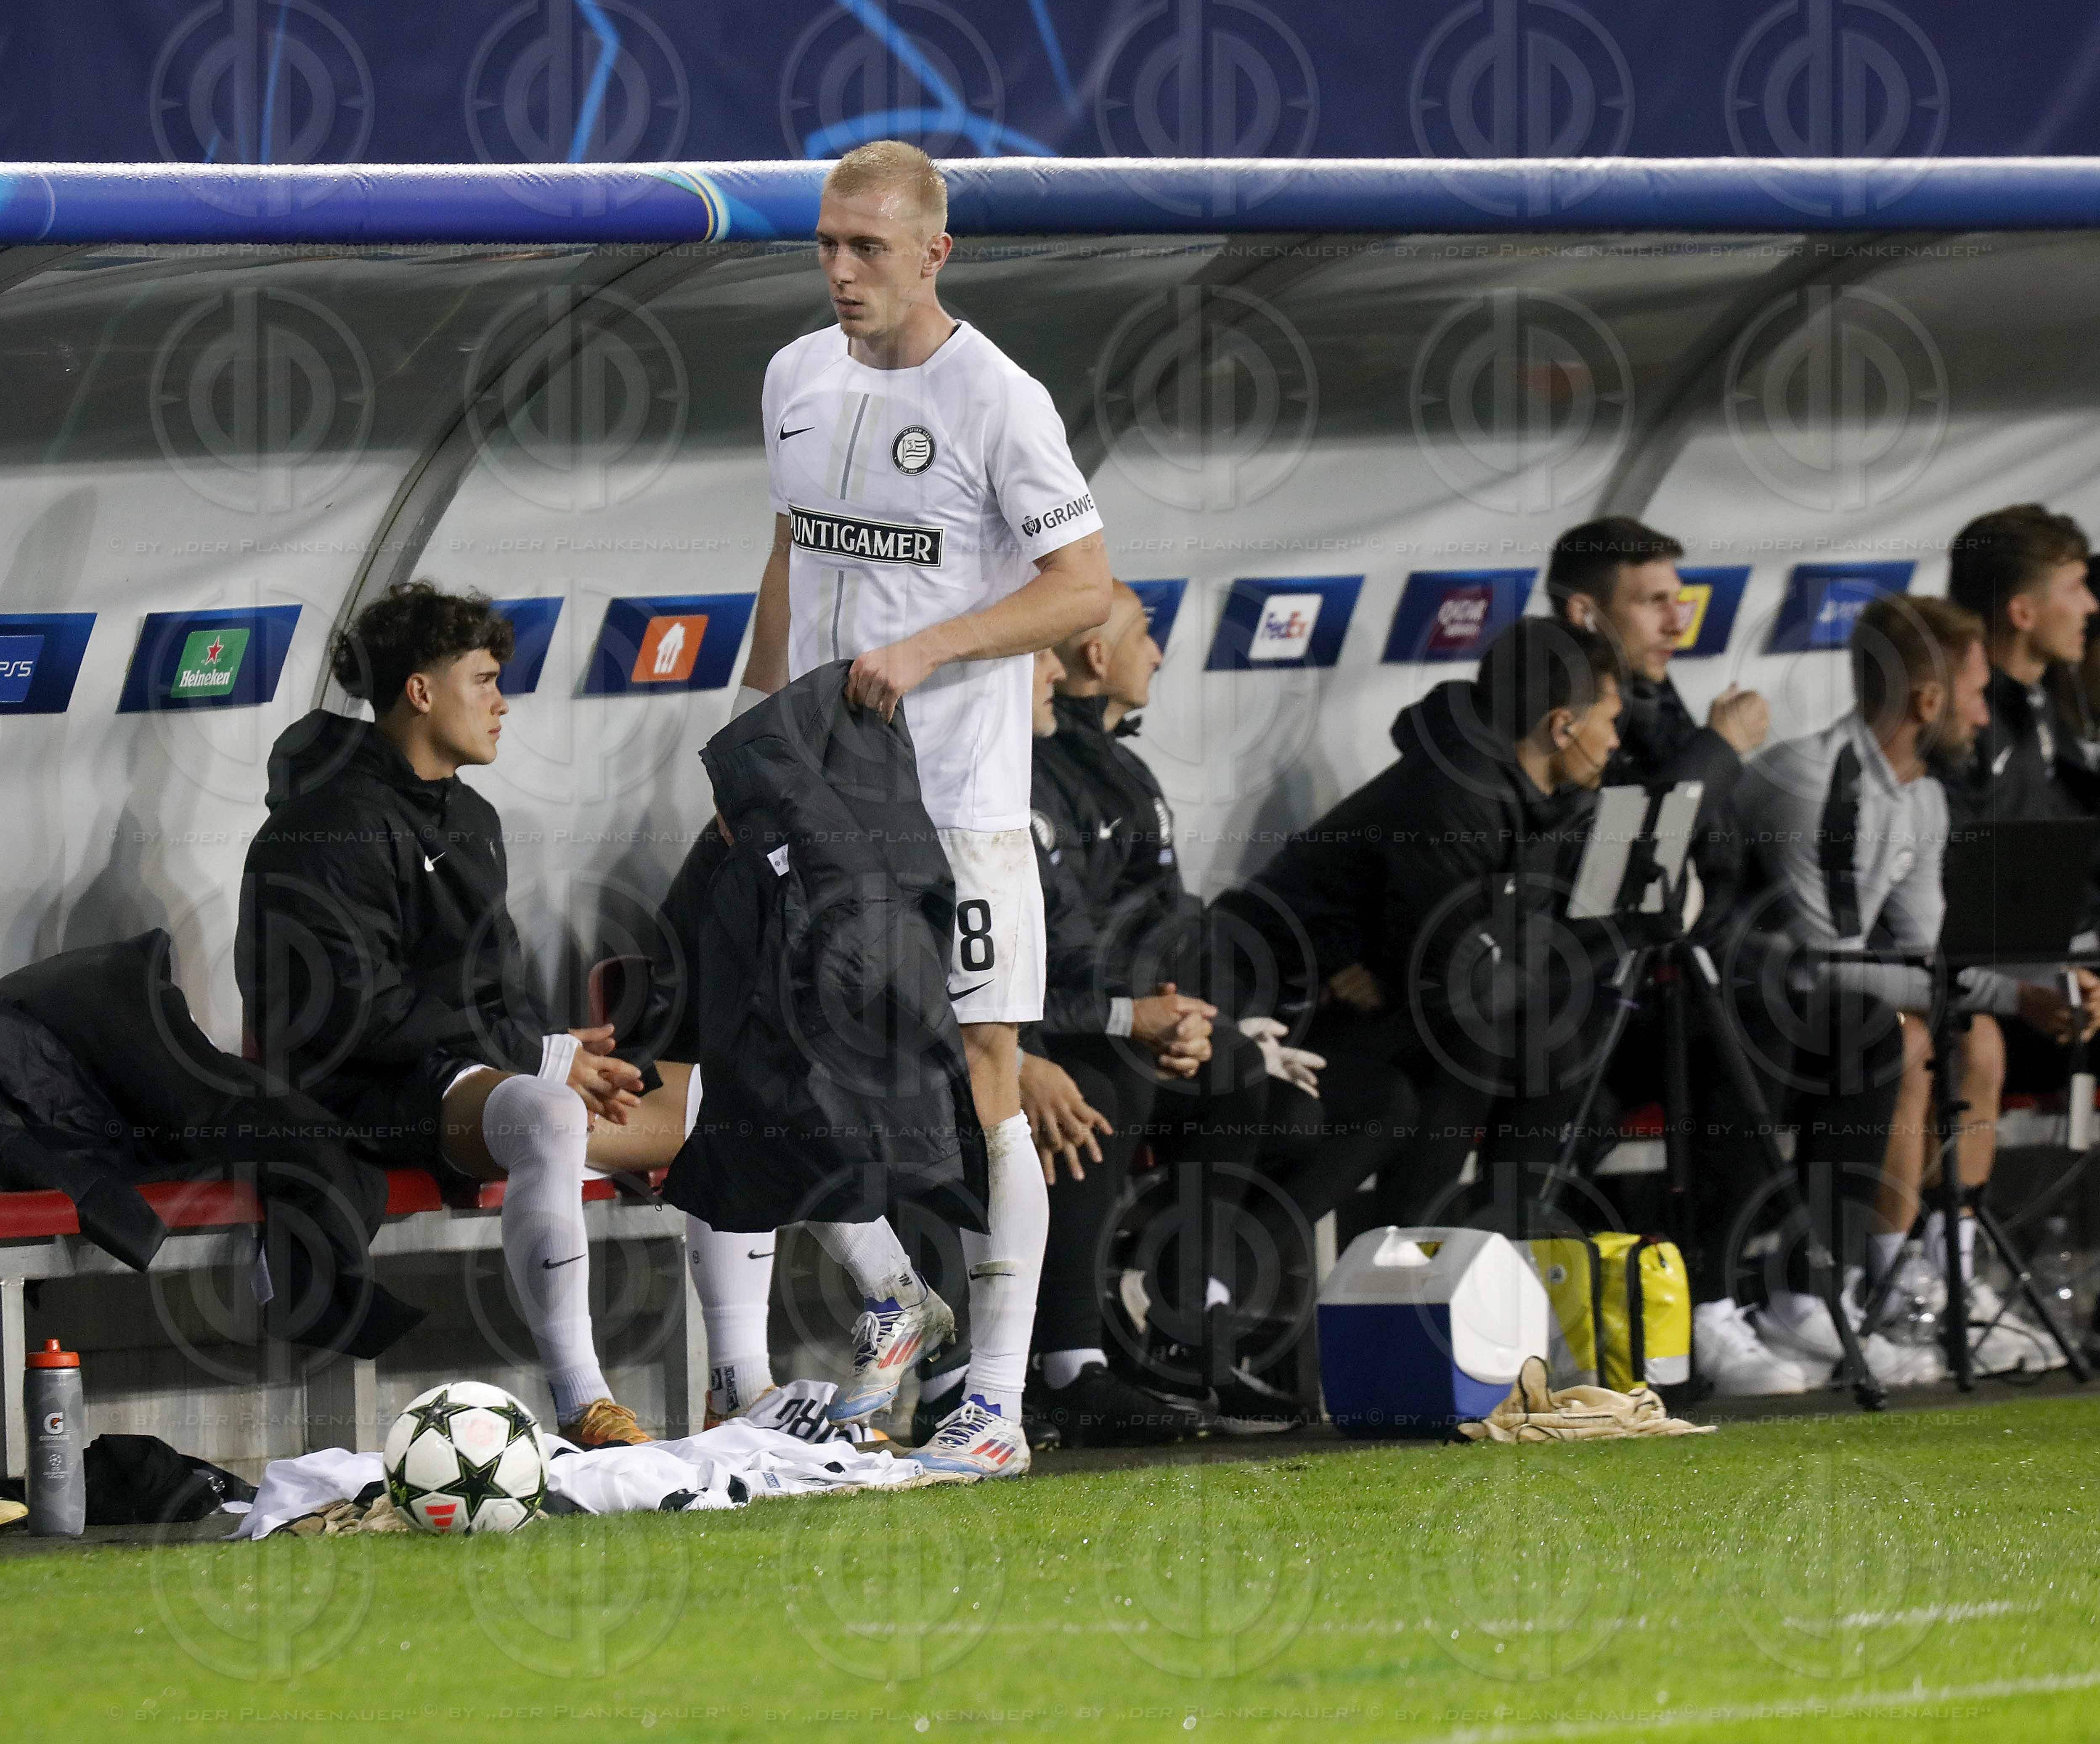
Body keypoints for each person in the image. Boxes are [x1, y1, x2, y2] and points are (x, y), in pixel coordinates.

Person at [734, 140, 1112, 1479]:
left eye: (868, 249)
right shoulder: (793, 377)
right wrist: (757, 725)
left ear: (934, 252)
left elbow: (1087, 589)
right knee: (777, 1070)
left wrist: (936, 649)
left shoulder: (1000, 398)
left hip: (956, 813)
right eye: (828, 244)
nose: (840, 271)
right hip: (824, 805)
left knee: (982, 1078)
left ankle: (996, 1405)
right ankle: (898, 1294)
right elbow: (791, 547)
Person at [238, 581, 696, 1448]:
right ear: (420, 691)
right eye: (483, 680)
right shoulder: (327, 825)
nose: (501, 703)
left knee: (714, 1103)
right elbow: (354, 1013)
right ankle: (584, 1400)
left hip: (458, 1075)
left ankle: (758, 1379)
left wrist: (557, 1045)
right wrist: (544, 1061)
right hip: (351, 1099)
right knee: (551, 1111)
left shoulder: (471, 817)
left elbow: (490, 984)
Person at [1727, 593, 2096, 1386]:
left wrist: (2035, 995)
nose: (1981, 713)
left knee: (1976, 1036)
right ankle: (1877, 1289)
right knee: (1909, 1033)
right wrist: (2014, 994)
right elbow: (1828, 964)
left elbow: (1927, 956)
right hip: (1748, 1014)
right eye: (1973, 693)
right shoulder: (1812, 782)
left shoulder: (1921, 794)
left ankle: (1946, 1282)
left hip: (1833, 1000)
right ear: (1929, 701)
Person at [1224, 615, 1623, 1242]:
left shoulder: (1532, 797)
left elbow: (1484, 952)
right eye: (1611, 720)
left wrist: (1404, 965)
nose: (1616, 742)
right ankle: (1418, 1270)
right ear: (1562, 726)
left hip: (1376, 985)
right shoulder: (1455, 796)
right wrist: (1406, 965)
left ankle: (1503, 1249)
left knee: (1549, 1040)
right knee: (1476, 1041)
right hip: (1285, 1000)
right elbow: (1456, 977)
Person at [1031, 581, 1322, 1431]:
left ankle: (1190, 1329)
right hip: (1048, 1031)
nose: (1157, 654)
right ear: (1094, 656)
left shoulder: (1121, 764)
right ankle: (1069, 1362)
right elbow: (1062, 938)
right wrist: (1138, 1018)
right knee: (1104, 1084)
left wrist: (1201, 1020)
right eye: (1145, 636)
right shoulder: (1033, 767)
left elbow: (1170, 919)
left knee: (1257, 1086)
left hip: (1131, 1019)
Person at [1543, 517, 1808, 1395]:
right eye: (1653, 602)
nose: (1674, 622)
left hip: (1682, 977)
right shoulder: (1562, 701)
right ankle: (1704, 1304)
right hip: (1584, 994)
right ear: (1586, 611)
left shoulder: (1663, 700)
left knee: (1868, 1032)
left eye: (1678, 602)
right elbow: (1633, 849)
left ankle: (1806, 1286)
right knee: (1753, 1014)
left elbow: (1709, 862)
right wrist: (1720, 753)